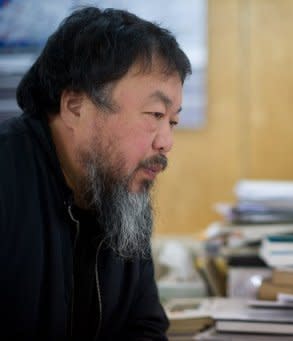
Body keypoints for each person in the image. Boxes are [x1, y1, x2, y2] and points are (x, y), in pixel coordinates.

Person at [0, 6, 191, 340]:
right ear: (76, 107)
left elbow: (144, 326)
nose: (166, 142)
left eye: (172, 121)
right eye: (155, 114)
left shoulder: (119, 188)